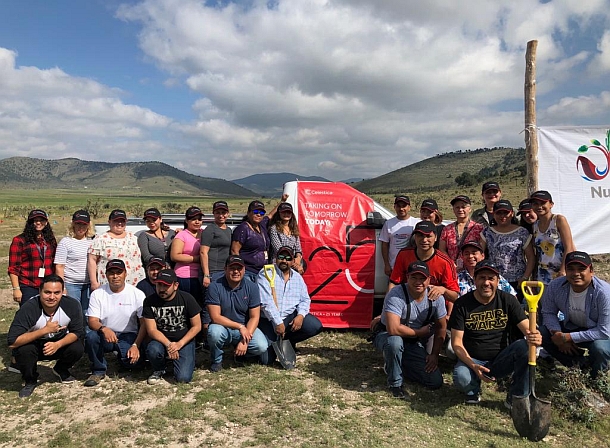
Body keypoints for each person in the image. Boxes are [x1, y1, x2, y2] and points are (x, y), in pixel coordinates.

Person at [450, 260, 542, 406]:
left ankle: (516, 396)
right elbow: (456, 343)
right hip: (473, 360)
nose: (486, 283)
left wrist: (535, 336)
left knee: (525, 347)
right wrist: (474, 366)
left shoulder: (508, 300)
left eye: (491, 278)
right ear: (475, 280)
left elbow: (528, 329)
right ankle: (473, 390)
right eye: (482, 278)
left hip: (501, 359)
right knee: (461, 378)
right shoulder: (462, 304)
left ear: (498, 281)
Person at [373, 261, 447, 396]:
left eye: (422, 278)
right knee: (395, 342)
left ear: (429, 279)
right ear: (407, 278)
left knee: (435, 381)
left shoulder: (437, 297)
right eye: (414, 277)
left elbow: (441, 327)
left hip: (413, 341)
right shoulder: (396, 293)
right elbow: (393, 329)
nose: (418, 282)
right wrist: (419, 332)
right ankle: (395, 384)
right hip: (387, 335)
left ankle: (394, 364)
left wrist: (435, 354)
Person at [7, 274, 84, 398]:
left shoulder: (72, 305)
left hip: (57, 343)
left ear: (62, 292)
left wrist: (57, 344)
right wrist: (44, 331)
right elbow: (12, 342)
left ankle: (61, 369)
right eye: (47, 292)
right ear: (40, 291)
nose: (52, 297)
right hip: (35, 345)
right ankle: (30, 380)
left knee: (78, 346)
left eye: (56, 292)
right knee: (23, 350)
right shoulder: (29, 308)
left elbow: (77, 332)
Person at [540, 251, 610, 379]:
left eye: (582, 269)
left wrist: (568, 337)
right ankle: (579, 365)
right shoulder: (556, 285)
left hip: (602, 332)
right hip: (573, 326)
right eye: (571, 269)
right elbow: (548, 312)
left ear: (591, 271)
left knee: (600, 349)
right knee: (542, 332)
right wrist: (557, 334)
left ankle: (597, 379)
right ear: (565, 270)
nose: (576, 273)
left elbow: (604, 331)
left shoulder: (604, 293)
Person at [83, 259, 147, 387]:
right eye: (111, 273)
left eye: (119, 272)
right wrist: (104, 329)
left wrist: (135, 345)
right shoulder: (98, 294)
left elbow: (144, 323)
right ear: (106, 275)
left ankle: (122, 357)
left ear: (125, 274)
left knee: (133, 365)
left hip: (128, 334)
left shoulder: (137, 294)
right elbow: (92, 321)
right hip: (106, 334)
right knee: (91, 337)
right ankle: (98, 370)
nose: (115, 276)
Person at [257, 246, 323, 364]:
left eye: (288, 258)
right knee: (266, 360)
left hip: (289, 317)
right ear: (276, 258)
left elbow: (305, 299)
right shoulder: (266, 273)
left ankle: (288, 339)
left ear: (293, 261)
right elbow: (266, 302)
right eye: (281, 257)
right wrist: (277, 322)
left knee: (314, 326)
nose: (284, 261)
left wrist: (301, 316)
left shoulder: (297, 278)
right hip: (269, 319)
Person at [206, 255, 269, 372]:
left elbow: (255, 317)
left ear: (244, 270)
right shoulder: (214, 286)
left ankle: (241, 354)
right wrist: (240, 327)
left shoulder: (253, 287)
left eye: (239, 268)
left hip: (245, 327)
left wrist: (245, 341)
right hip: (223, 326)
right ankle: (217, 360)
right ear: (225, 269)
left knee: (262, 346)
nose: (236, 271)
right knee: (214, 333)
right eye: (232, 268)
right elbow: (215, 317)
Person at [142, 269, 202, 384]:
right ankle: (159, 369)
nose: (162, 289)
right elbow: (151, 330)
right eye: (159, 285)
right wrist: (169, 345)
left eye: (166, 286)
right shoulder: (149, 301)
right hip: (161, 341)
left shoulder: (187, 298)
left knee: (183, 378)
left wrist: (179, 344)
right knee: (153, 350)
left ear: (175, 285)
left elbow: (197, 326)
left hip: (183, 340)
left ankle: (181, 361)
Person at [390, 221, 459, 303]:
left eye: (428, 236)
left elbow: (455, 296)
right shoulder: (404, 255)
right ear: (415, 237)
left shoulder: (445, 262)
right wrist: (388, 306)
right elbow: (393, 283)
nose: (424, 240)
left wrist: (443, 290)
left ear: (436, 238)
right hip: (407, 302)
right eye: (420, 236)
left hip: (434, 305)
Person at [480, 199, 536, 295]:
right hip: (494, 280)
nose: (502, 216)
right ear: (494, 214)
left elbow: (531, 257)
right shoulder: (486, 232)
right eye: (499, 213)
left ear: (512, 214)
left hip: (517, 281)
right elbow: (480, 255)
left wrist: (525, 277)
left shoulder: (522, 232)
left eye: (505, 213)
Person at [9, 209, 57, 306]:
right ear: (30, 222)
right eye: (35, 220)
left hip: (48, 285)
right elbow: (13, 268)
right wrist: (16, 289)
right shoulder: (19, 240)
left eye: (41, 220)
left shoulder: (50, 239)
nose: (38, 223)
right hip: (28, 285)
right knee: (29, 316)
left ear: (46, 222)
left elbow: (55, 262)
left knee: (48, 315)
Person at [88, 209, 145, 290]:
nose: (119, 223)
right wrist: (94, 282)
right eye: (116, 221)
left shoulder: (134, 238)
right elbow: (92, 260)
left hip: (134, 284)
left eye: (122, 221)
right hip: (109, 285)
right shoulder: (100, 239)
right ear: (109, 222)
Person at [54, 210, 94, 319]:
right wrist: (62, 287)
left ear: (88, 225)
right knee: (73, 314)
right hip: (71, 284)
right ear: (73, 224)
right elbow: (59, 266)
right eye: (78, 224)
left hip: (89, 284)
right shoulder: (65, 242)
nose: (81, 227)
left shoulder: (93, 241)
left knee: (88, 314)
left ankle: (88, 336)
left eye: (84, 224)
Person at [231, 198, 282, 282]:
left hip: (263, 271)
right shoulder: (242, 229)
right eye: (255, 212)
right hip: (248, 271)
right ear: (248, 213)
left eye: (261, 213)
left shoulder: (262, 225)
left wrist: (282, 201)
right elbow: (234, 251)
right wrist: (240, 269)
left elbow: (270, 215)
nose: (259, 215)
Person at [530, 190, 575, 284]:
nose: (539, 206)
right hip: (542, 274)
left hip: (561, 273)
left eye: (543, 203)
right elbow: (538, 253)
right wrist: (534, 276)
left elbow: (569, 248)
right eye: (535, 204)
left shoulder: (558, 220)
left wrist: (563, 271)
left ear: (551, 204)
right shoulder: (535, 226)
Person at [379, 195, 420, 276]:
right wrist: (386, 264)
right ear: (394, 207)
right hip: (394, 266)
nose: (401, 209)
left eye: (404, 206)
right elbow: (384, 245)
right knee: (393, 288)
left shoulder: (416, 223)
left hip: (412, 266)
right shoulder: (388, 223)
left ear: (409, 207)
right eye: (398, 206)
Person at [439, 195, 484, 268]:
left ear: (469, 209)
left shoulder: (478, 228)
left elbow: (482, 249)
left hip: (473, 268)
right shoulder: (447, 229)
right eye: (457, 207)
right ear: (453, 209)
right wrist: (451, 263)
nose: (460, 210)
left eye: (463, 207)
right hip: (452, 268)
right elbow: (442, 249)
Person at [170, 206, 203, 305]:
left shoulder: (205, 233)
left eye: (199, 219)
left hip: (201, 275)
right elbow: (175, 256)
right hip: (185, 277)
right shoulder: (181, 235)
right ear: (186, 221)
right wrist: (196, 258)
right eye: (193, 219)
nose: (197, 222)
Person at [200, 201, 233, 287]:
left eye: (223, 213)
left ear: (228, 213)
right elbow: (203, 252)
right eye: (217, 213)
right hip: (213, 272)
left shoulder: (229, 230)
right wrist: (206, 275)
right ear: (213, 214)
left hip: (225, 271)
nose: (221, 216)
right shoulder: (210, 229)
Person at [268, 202, 304, 274]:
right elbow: (278, 249)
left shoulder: (294, 228)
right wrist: (293, 262)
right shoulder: (274, 228)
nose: (286, 214)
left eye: (288, 212)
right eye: (283, 212)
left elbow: (298, 248)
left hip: (293, 263)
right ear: (279, 213)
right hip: (279, 262)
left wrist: (298, 258)